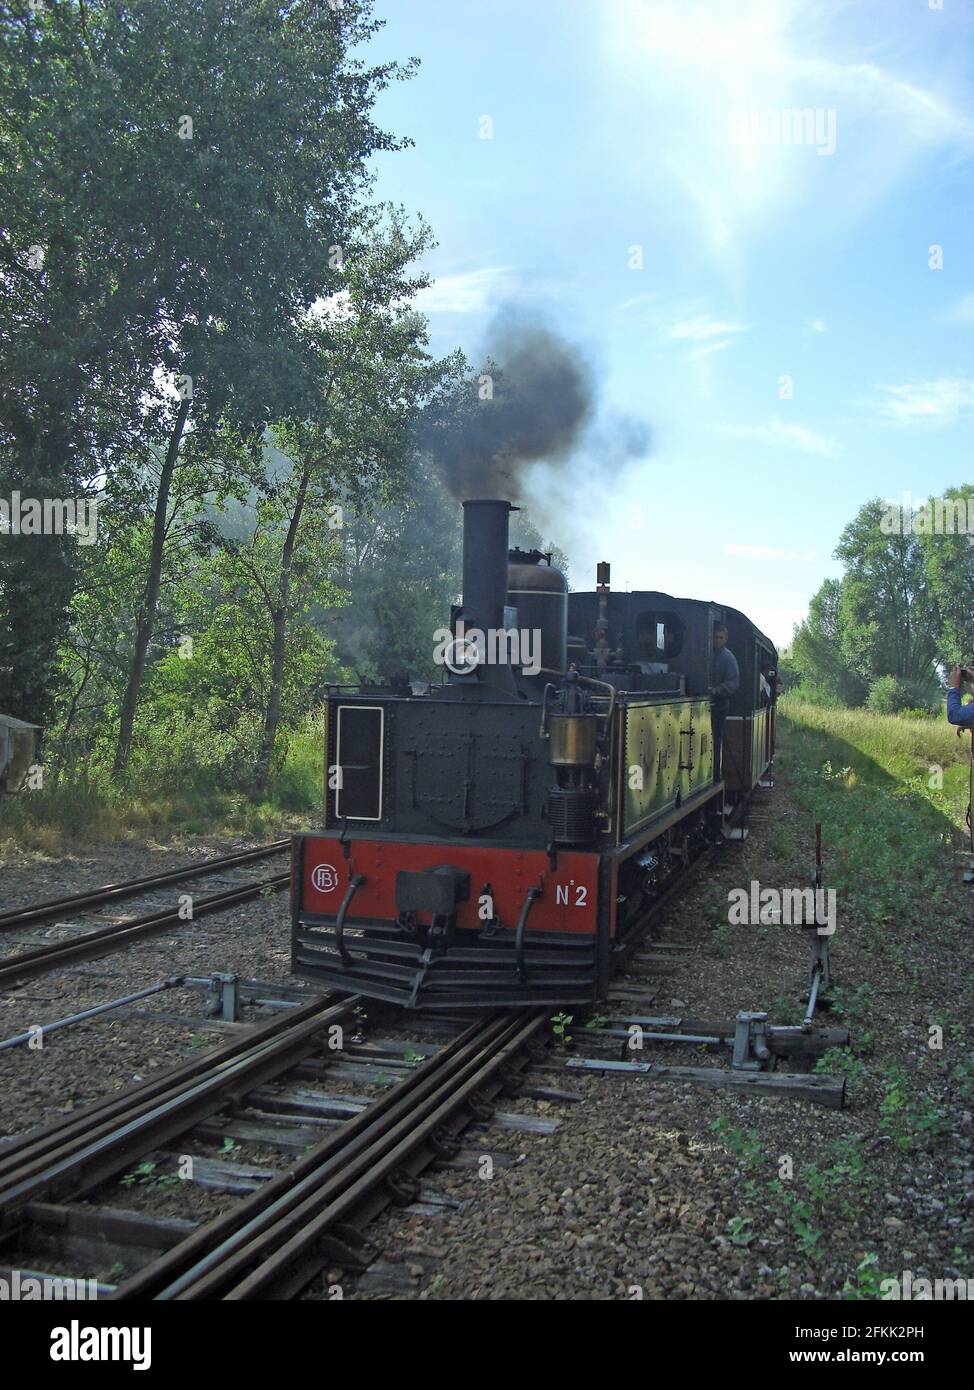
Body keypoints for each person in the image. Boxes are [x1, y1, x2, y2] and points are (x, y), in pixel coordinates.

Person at [709, 623, 740, 777]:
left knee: (716, 738)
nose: (717, 640)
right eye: (714, 637)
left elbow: (733, 683)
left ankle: (715, 771)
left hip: (719, 705)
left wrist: (717, 689)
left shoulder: (728, 658)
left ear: (725, 638)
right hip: (707, 703)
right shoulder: (707, 654)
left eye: (720, 637)